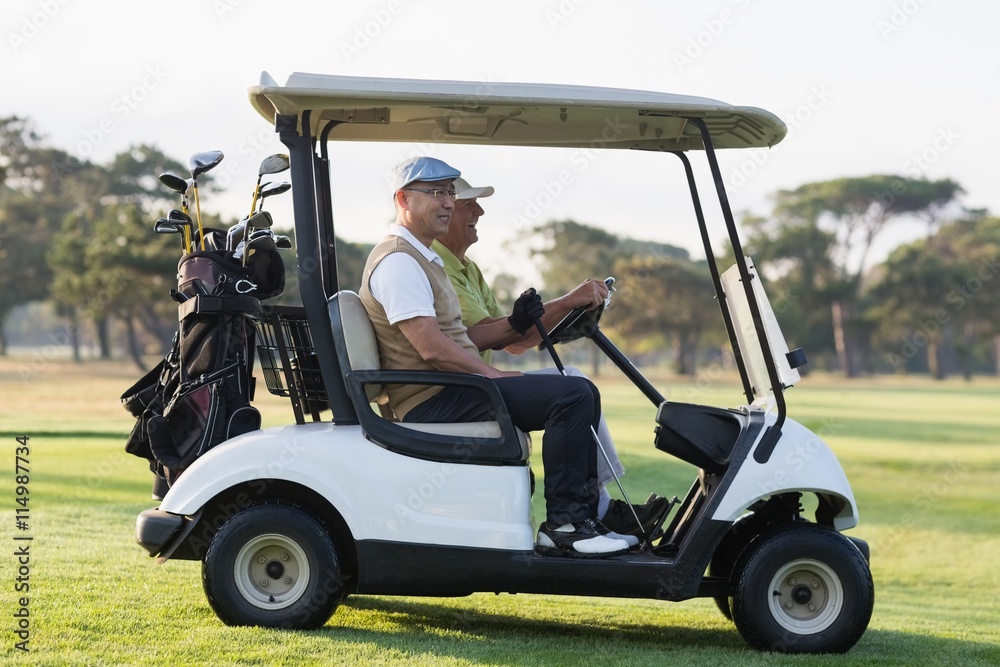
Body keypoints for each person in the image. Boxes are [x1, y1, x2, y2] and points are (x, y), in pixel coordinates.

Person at [360, 156, 630, 558]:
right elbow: (432, 348)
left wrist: (506, 345)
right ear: (403, 199)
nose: (448, 202)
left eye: (450, 193)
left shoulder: (424, 258)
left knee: (577, 389)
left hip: (452, 390)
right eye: (436, 193)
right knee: (572, 394)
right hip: (433, 400)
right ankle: (566, 526)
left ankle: (584, 519)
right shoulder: (399, 261)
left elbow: (456, 337)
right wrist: (493, 376)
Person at [431, 178, 670, 539]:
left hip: (474, 380)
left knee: (574, 379)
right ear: (445, 212)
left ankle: (598, 507)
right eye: (469, 205)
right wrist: (567, 301)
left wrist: (561, 309)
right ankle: (571, 520)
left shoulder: (468, 268)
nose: (479, 211)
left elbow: (515, 340)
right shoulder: (442, 268)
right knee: (572, 391)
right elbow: (480, 334)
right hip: (461, 387)